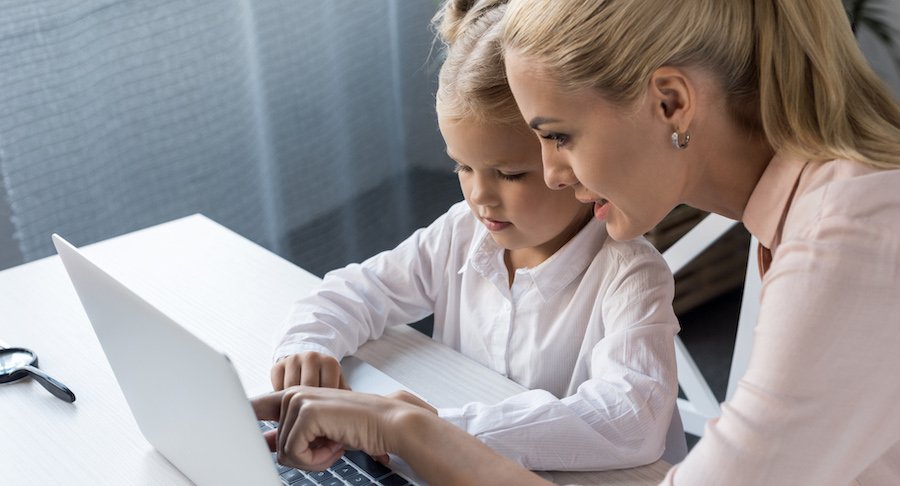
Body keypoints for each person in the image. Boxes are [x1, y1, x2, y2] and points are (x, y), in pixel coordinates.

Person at [255, 0, 900, 483]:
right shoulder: (817, 212)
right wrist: (401, 425)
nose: (555, 174)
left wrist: (413, 429)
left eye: (558, 137)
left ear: (672, 102)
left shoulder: (849, 237)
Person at [268, 0, 682, 472]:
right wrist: (308, 344)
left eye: (509, 173)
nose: (479, 195)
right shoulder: (462, 231)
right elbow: (361, 289)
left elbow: (631, 419)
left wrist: (437, 433)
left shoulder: (631, 273)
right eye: (463, 166)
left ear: (567, 155)